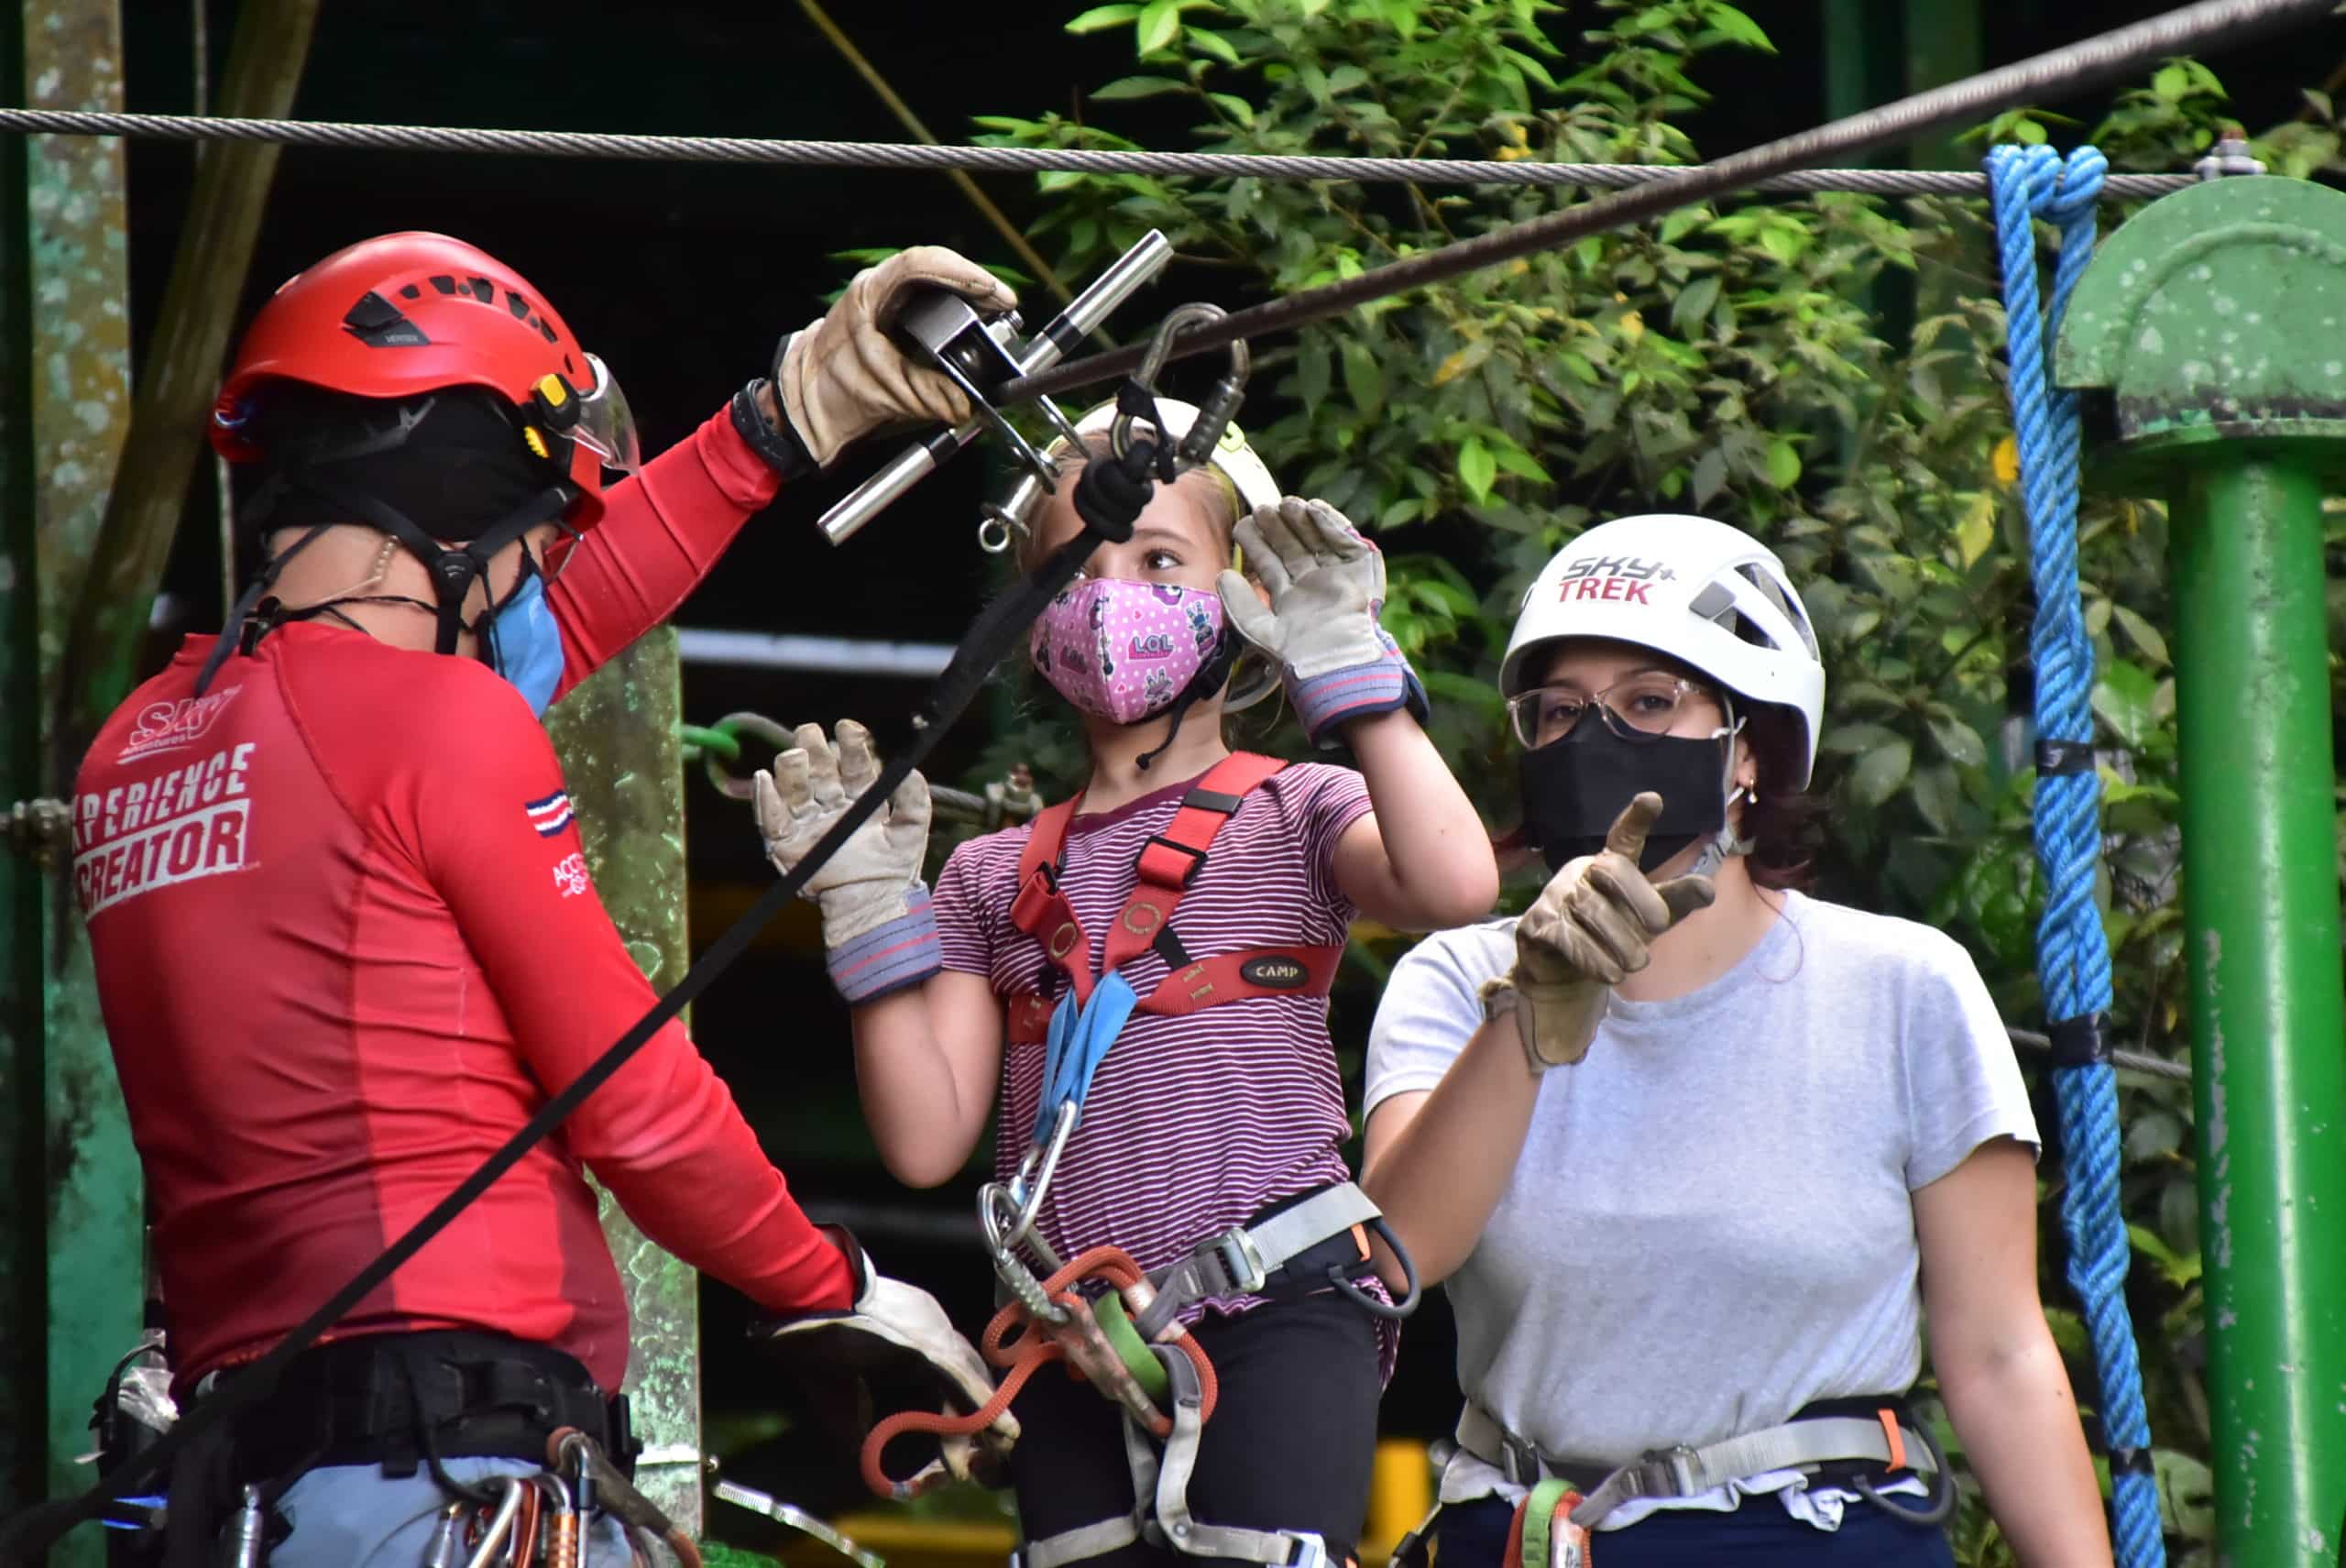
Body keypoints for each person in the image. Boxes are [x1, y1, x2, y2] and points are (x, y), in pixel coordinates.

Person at [71, 231, 1020, 1564]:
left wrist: (784, 420)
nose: (543, 579)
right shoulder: (435, 723)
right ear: (460, 513)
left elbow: (521, 636)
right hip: (451, 1468)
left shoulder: (137, 752)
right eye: (535, 535)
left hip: (256, 1489)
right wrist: (835, 1284)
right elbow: (635, 1099)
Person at [751, 400, 1499, 1566]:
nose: (1113, 596)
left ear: (1242, 593)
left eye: (1160, 560)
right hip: (1068, 1335)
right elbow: (924, 1138)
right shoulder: (993, 875)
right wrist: (864, 907)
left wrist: (1348, 665)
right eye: (1075, 567)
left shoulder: (1293, 809)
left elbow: (1454, 884)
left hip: (1274, 1306)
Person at [1358, 514, 2114, 1567]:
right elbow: (1393, 1257)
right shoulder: (1451, 979)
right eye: (1559, 711)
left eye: (1650, 702)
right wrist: (1526, 1018)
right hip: (1535, 1534)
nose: (1595, 737)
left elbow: (1996, 1353)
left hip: (1816, 1533)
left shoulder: (1903, 986)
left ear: (1750, 747)